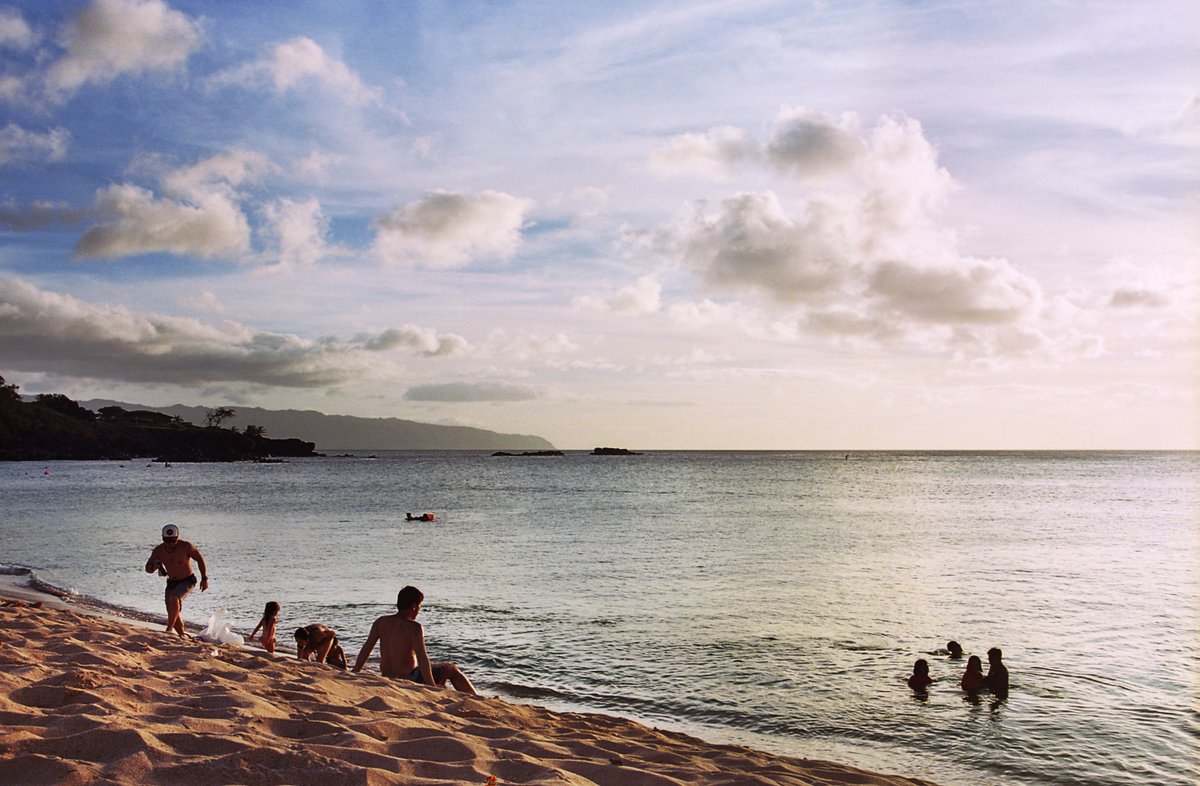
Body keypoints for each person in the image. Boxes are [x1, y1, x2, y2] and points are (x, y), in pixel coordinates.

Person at [352, 585, 478, 694]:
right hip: (410, 677)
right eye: (419, 606)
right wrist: (431, 686)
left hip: (387, 675)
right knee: (451, 669)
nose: (419, 610)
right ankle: (475, 697)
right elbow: (422, 658)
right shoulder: (414, 627)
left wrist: (355, 671)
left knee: (438, 671)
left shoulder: (380, 622)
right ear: (413, 606)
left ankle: (445, 687)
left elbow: (366, 648)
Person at [144, 524, 208, 637]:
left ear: (177, 538)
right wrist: (154, 567)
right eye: (167, 541)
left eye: (173, 541)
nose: (170, 544)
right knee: (172, 611)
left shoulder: (186, 546)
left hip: (187, 580)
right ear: (163, 539)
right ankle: (182, 635)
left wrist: (204, 578)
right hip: (171, 582)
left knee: (174, 598)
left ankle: (168, 630)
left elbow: (199, 559)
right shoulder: (159, 550)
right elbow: (148, 568)